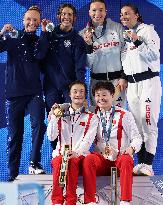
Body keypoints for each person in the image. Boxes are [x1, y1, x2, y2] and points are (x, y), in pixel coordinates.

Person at [0, 6, 46, 181]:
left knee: (39, 125)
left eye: (35, 20)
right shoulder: (13, 36)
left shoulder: (40, 39)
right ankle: (12, 174)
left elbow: (41, 55)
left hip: (34, 91)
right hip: (14, 93)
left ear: (39, 22)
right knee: (15, 135)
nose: (32, 23)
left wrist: (44, 34)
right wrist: (2, 31)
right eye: (29, 19)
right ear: (23, 20)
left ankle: (34, 163)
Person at [82, 81, 142, 205]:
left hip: (119, 160)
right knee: (88, 159)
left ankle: (125, 201)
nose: (100, 98)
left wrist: (131, 149)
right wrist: (55, 111)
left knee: (127, 160)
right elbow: (72, 108)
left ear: (112, 95)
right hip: (101, 162)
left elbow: (137, 138)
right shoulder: (91, 115)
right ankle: (90, 201)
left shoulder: (124, 115)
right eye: (97, 95)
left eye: (104, 95)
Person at [120, 3, 162, 176]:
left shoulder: (147, 31)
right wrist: (123, 76)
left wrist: (137, 40)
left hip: (148, 82)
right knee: (137, 125)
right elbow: (127, 62)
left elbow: (153, 55)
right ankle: (141, 163)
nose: (124, 17)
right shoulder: (126, 36)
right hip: (132, 85)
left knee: (148, 122)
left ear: (137, 15)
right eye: (122, 15)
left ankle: (148, 164)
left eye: (127, 13)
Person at [47, 80, 99, 205]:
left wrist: (76, 152)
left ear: (85, 95)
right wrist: (54, 117)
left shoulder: (91, 117)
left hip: (80, 157)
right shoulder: (60, 113)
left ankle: (71, 201)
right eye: (75, 91)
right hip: (61, 156)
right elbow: (51, 137)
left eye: (81, 91)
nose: (78, 94)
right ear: (69, 95)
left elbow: (88, 140)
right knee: (60, 160)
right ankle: (57, 201)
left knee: (72, 160)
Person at [80, 0, 127, 107]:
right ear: (89, 12)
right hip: (97, 82)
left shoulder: (117, 28)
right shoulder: (83, 34)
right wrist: (89, 45)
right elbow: (87, 64)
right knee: (98, 118)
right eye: (94, 10)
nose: (97, 13)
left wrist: (124, 76)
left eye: (101, 10)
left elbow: (126, 54)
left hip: (117, 82)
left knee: (118, 117)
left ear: (105, 12)